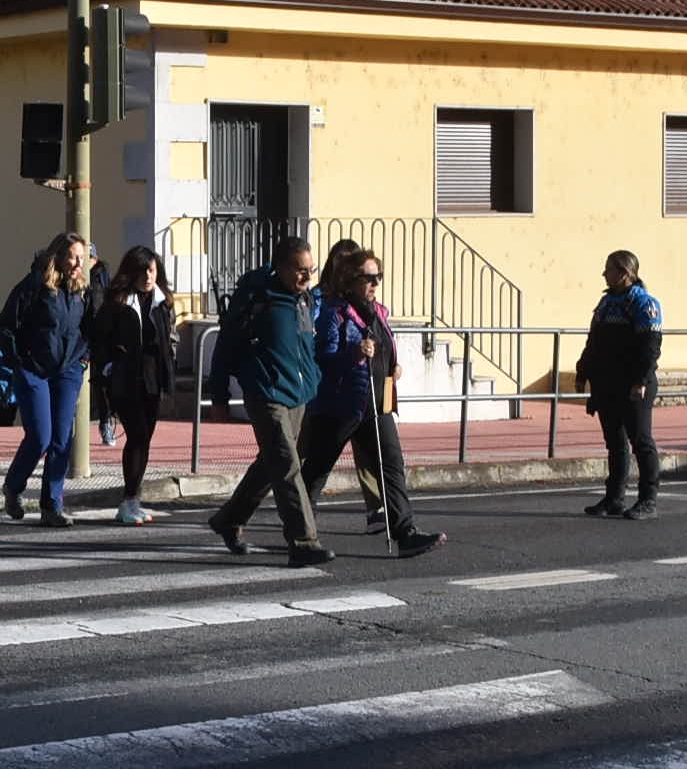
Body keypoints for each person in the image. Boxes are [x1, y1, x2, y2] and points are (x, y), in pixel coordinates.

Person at [300, 246, 443, 558]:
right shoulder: (334, 313)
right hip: (340, 406)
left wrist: (393, 365)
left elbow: (386, 347)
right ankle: (299, 534)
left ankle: (405, 533)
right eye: (369, 277)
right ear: (351, 280)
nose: (375, 283)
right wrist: (352, 354)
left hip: (377, 405)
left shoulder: (378, 312)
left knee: (391, 467)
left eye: (379, 276)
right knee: (317, 470)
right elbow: (321, 359)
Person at [205, 235, 326, 564]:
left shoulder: (304, 300)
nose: (306, 278)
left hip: (298, 392)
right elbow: (226, 344)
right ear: (282, 267)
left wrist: (313, 377)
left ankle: (229, 519)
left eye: (311, 270)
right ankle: (303, 542)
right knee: (287, 466)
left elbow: (306, 345)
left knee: (271, 463)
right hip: (265, 391)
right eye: (300, 271)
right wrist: (217, 394)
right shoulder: (257, 296)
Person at [0, 232, 95, 526]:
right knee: (40, 436)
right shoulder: (34, 286)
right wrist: (19, 360)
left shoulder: (81, 290)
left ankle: (52, 505)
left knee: (62, 438)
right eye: (73, 256)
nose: (79, 263)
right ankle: (13, 487)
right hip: (34, 370)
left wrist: (82, 360)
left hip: (67, 369)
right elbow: (7, 324)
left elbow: (90, 328)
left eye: (82, 257)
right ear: (59, 256)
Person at [573, 248, 664, 520]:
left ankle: (648, 500)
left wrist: (640, 380)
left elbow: (650, 347)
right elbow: (594, 342)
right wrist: (583, 372)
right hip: (607, 383)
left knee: (641, 441)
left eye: (609, 269)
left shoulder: (643, 303)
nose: (604, 274)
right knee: (615, 442)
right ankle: (614, 499)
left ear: (624, 273)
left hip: (634, 384)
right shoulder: (606, 303)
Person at [90, 247, 176, 524]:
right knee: (137, 434)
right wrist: (108, 367)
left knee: (145, 438)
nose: (148, 276)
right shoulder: (118, 303)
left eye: (152, 270)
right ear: (131, 273)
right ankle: (128, 500)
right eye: (142, 271)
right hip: (125, 378)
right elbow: (99, 338)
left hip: (153, 377)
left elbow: (167, 338)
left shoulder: (162, 302)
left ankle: (134, 499)